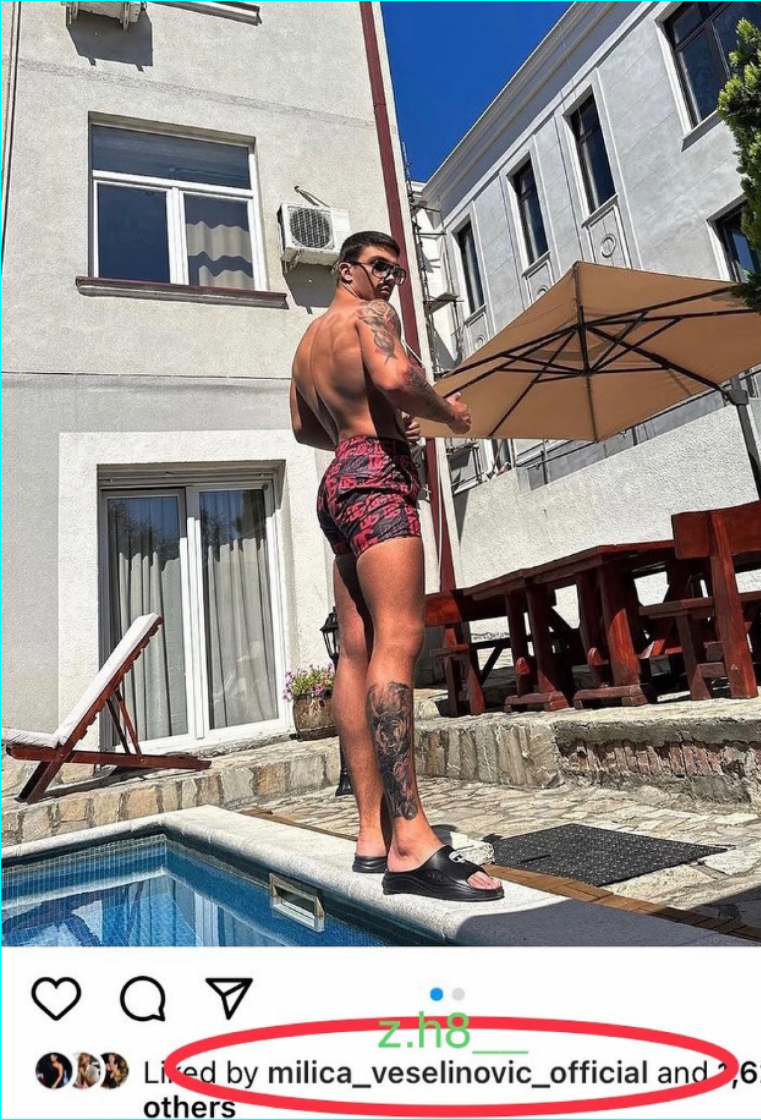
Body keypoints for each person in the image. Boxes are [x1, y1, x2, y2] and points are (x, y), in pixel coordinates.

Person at [290, 230, 503, 903]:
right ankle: (410, 839)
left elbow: (303, 427)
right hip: (377, 477)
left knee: (354, 652)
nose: (389, 281)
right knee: (400, 640)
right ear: (346, 269)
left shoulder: (308, 341)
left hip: (338, 479)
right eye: (380, 266)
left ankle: (370, 836)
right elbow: (396, 376)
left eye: (397, 273)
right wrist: (447, 413)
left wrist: (371, 418)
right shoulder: (371, 315)